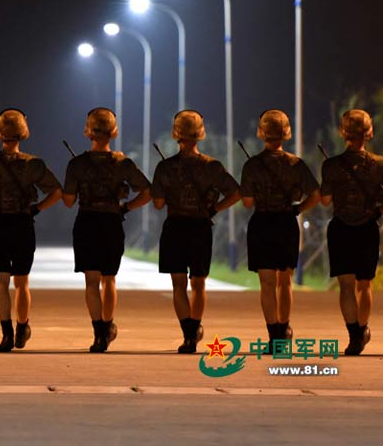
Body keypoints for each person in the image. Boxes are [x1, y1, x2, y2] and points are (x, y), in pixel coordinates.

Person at [151, 110, 240, 354]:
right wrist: (214, 209)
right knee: (198, 284)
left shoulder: (165, 167)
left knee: (178, 285)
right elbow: (235, 193)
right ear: (200, 135)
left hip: (175, 227)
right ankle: (195, 328)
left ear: (176, 135)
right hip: (201, 228)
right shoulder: (212, 166)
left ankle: (188, 335)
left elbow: (158, 204)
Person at [62, 108, 151, 353]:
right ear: (114, 131)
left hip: (86, 222)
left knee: (91, 281)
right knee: (109, 279)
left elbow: (68, 201)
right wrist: (126, 207)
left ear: (87, 131)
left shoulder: (76, 164)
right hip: (112, 222)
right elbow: (147, 191)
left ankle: (98, 333)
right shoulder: (123, 163)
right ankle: (108, 326)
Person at [0, 108, 62, 352]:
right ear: (23, 133)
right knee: (22, 282)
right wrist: (37, 209)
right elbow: (56, 192)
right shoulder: (33, 164)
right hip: (23, 225)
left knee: (1, 283)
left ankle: (6, 334)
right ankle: (23, 326)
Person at [240, 110, 320, 344]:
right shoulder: (296, 164)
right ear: (286, 134)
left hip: (262, 224)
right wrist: (297, 208)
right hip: (286, 223)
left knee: (267, 283)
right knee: (285, 281)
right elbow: (315, 195)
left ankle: (274, 333)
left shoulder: (252, 165)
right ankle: (284, 331)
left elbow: (247, 203)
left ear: (261, 133)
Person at [320, 109, 383, 356]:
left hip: (340, 229)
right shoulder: (379, 164)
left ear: (342, 133)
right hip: (368, 227)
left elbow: (325, 200)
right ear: (369, 133)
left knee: (346, 286)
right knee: (364, 284)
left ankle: (354, 334)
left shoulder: (331, 165)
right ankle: (363, 328)